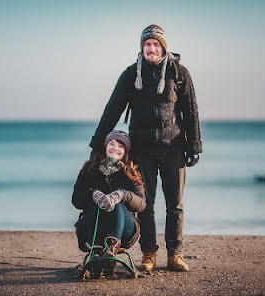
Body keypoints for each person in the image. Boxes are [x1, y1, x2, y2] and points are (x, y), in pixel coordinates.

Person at [88, 25, 203, 272]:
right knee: (145, 204)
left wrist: (194, 145)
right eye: (147, 44)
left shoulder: (179, 73)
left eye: (156, 44)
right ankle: (148, 254)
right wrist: (98, 144)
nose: (152, 49)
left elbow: (191, 110)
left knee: (175, 204)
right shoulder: (130, 75)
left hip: (173, 148)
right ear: (142, 47)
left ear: (163, 46)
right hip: (141, 150)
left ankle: (175, 254)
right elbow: (112, 111)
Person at [72, 130, 146, 278]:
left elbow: (141, 204)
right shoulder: (90, 169)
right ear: (105, 147)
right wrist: (93, 194)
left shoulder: (132, 171)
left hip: (125, 229)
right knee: (96, 204)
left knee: (116, 204)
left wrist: (122, 195)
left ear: (125, 151)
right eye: (111, 143)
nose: (115, 148)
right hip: (93, 229)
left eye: (121, 146)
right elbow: (76, 200)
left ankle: (111, 248)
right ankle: (96, 251)